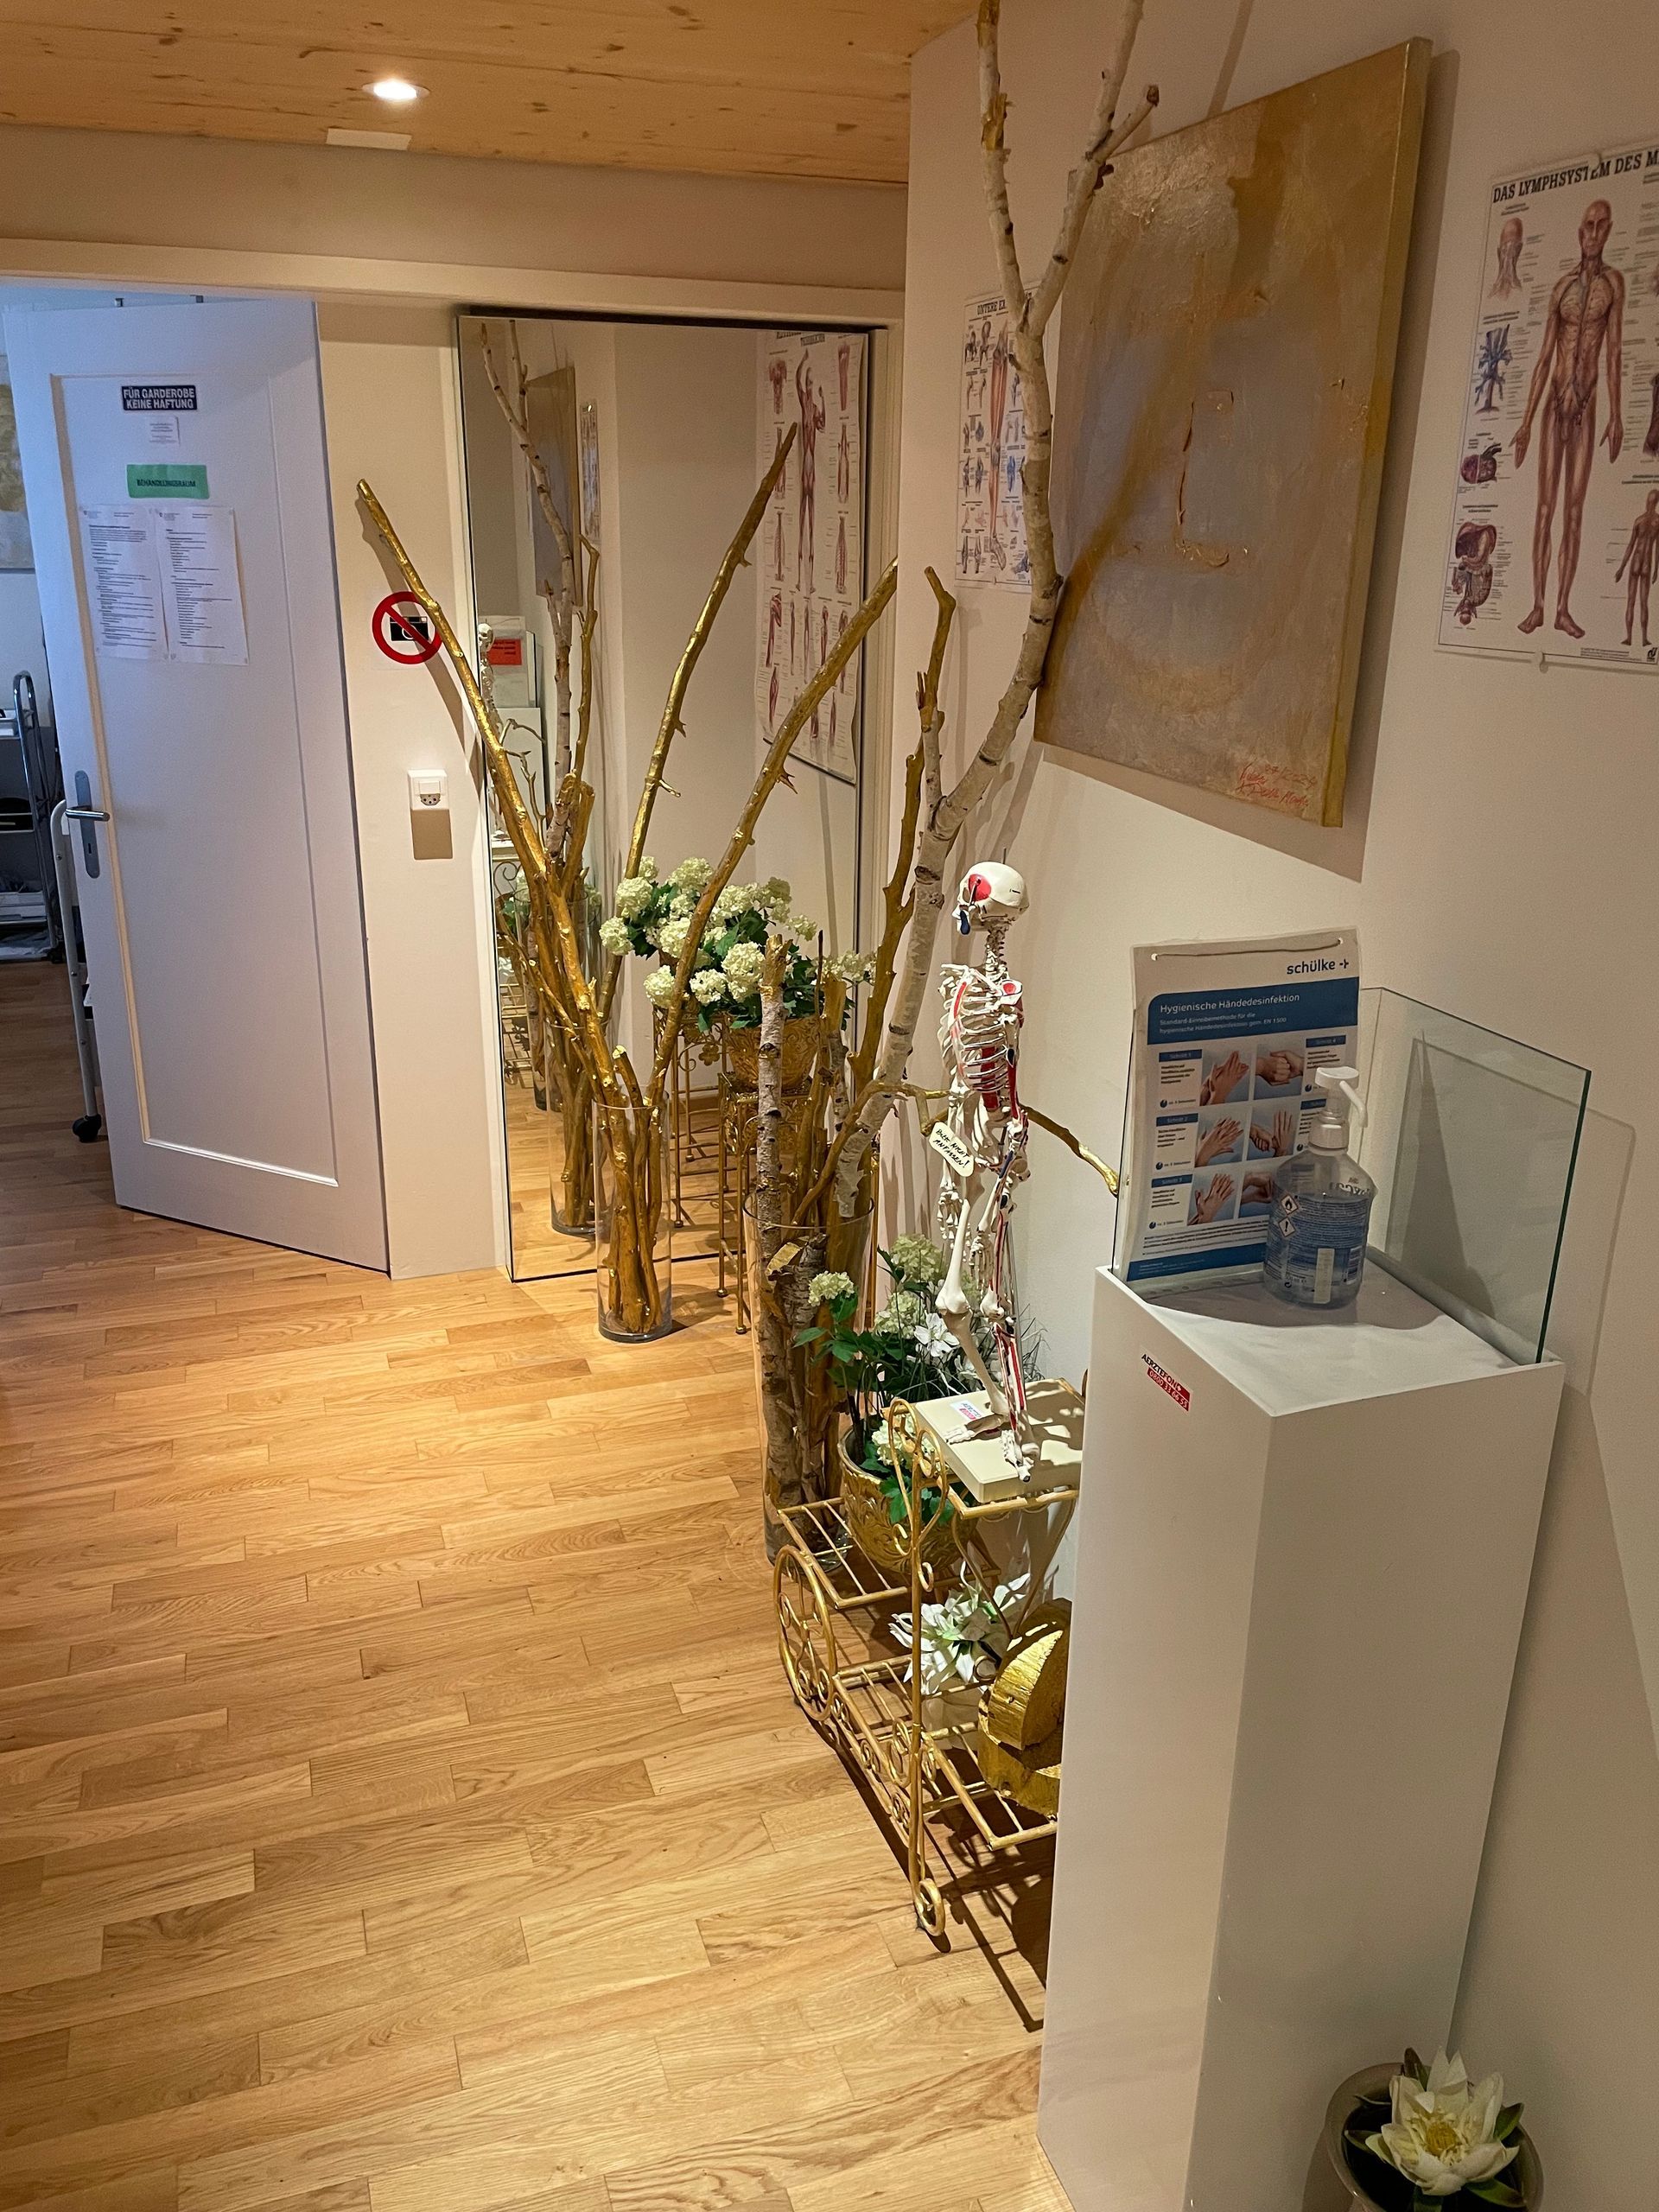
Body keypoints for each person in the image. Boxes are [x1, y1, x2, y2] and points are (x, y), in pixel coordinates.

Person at [1512, 200, 1624, 640]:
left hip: (1586, 407)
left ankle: (1562, 608)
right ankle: (1538, 605)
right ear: (1580, 232)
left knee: (1573, 512)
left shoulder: (1613, 284)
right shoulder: (1561, 289)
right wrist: (1525, 421)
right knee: (1544, 508)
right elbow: (1544, 357)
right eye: (1588, 226)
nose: (1593, 234)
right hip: (1554, 404)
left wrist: (1617, 415)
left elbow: (1613, 352)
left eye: (1600, 226)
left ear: (1608, 231)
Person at [1615, 489, 1659, 650]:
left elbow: (1631, 546)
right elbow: (1657, 549)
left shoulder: (1639, 520)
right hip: (1646, 563)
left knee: (1631, 601)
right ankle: (1644, 638)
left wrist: (1622, 568)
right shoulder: (1657, 521)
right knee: (1643, 602)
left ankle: (1629, 638)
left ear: (1649, 502)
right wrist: (1655, 570)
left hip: (1635, 561)